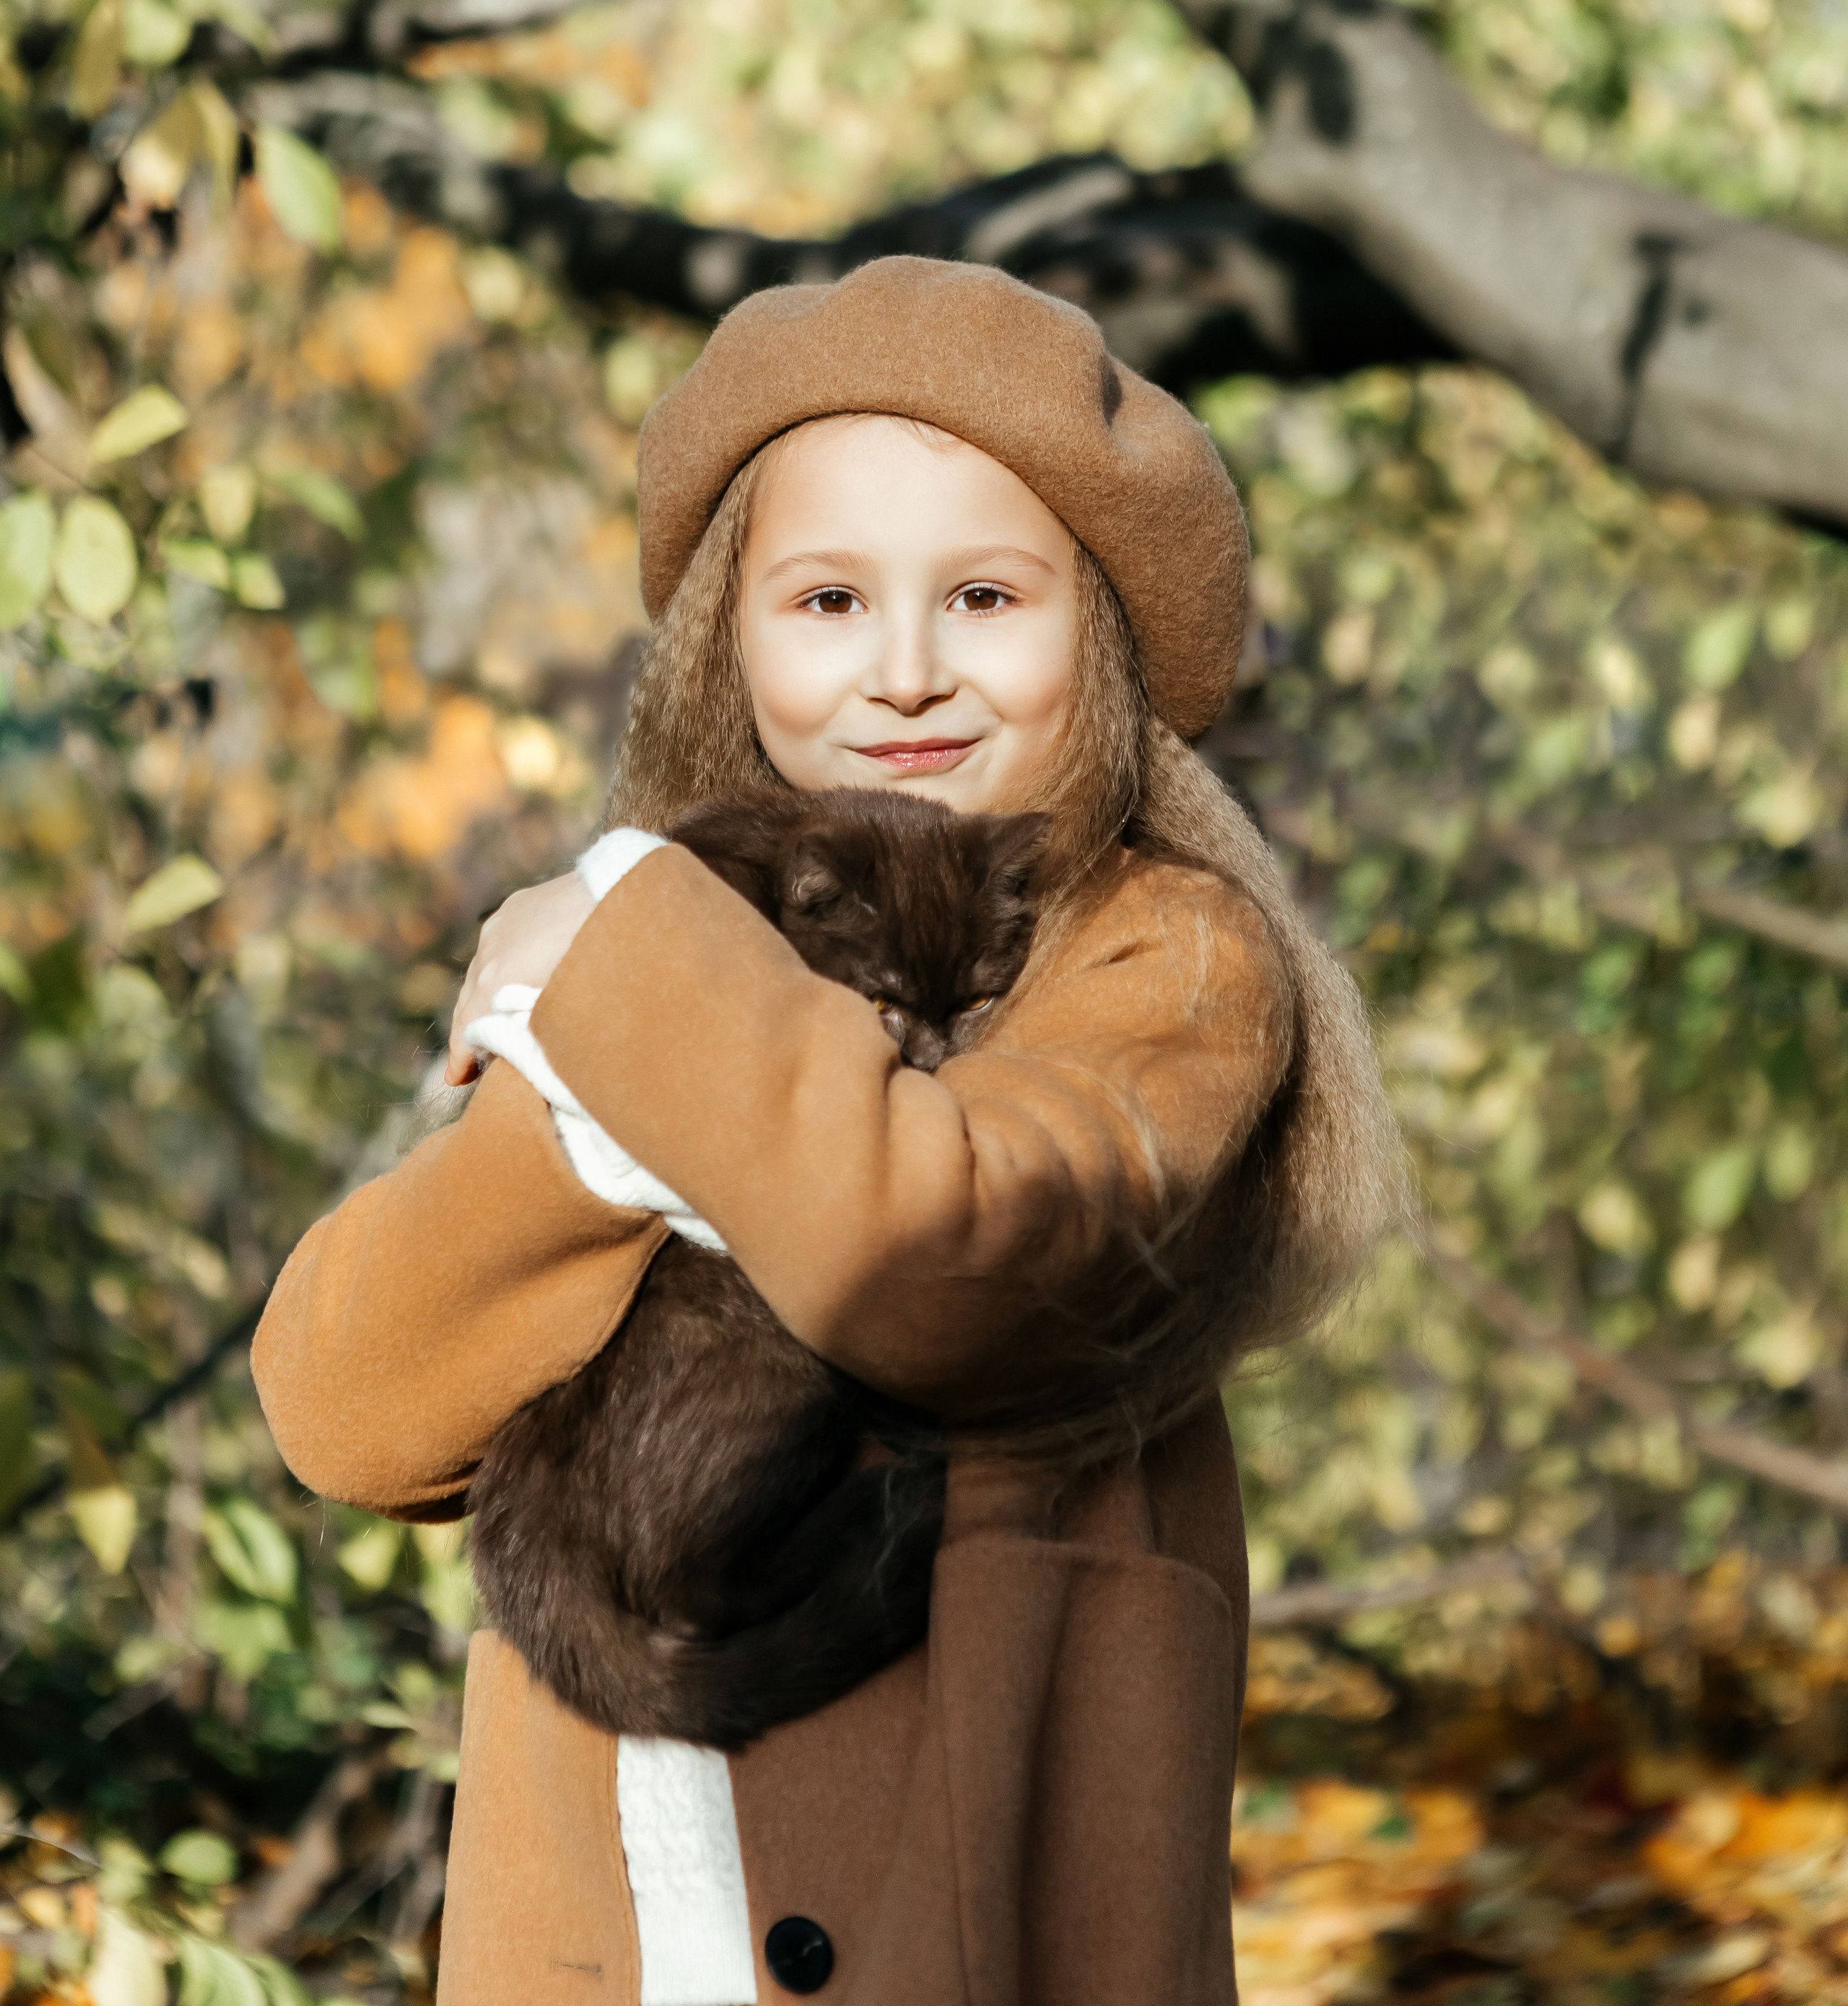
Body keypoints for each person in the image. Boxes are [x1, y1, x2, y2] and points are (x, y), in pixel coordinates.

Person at [253, 256, 1400, 2006]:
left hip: (988, 1924)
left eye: (988, 599)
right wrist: (590, 1104)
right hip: (622, 1917)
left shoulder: (1157, 953)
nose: (908, 673)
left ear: (1092, 633)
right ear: (731, 636)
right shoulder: (655, 947)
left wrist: (635, 976)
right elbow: (340, 1405)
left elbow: (929, 1262)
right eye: (828, 602)